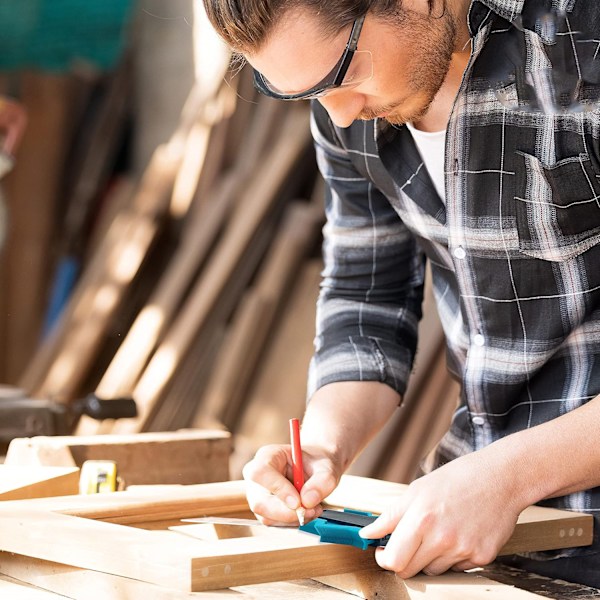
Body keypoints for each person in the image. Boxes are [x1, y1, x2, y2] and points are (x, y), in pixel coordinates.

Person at [202, 0, 600, 587]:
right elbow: (367, 298)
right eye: (302, 93)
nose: (337, 117)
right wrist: (322, 447)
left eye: (343, 73)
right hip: (478, 526)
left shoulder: (581, 44)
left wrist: (507, 479)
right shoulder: (347, 107)